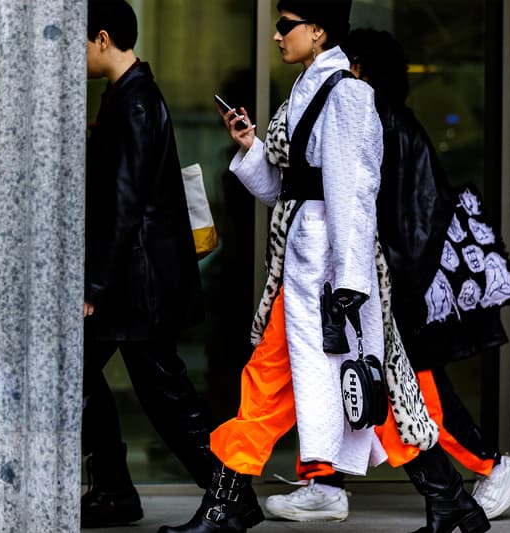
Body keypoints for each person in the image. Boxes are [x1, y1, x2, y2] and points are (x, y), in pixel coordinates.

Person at [264, 28, 510, 529]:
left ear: (360, 69)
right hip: (388, 289)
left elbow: (404, 220)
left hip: (397, 291)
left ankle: (489, 469)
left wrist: (381, 292)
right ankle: (327, 483)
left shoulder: (382, 122)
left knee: (415, 399)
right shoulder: (378, 119)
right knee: (359, 389)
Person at [158, 1, 388, 532]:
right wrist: (251, 147)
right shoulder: (308, 89)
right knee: (295, 387)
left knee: (333, 391)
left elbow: (353, 194)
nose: (278, 36)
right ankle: (449, 497)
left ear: (319, 30)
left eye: (287, 26)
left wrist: (351, 282)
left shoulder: (347, 94)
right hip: (306, 268)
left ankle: (228, 503)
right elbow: (291, 193)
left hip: (328, 275)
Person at [82, 0, 213, 527]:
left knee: (167, 397)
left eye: (79, 42)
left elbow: (124, 202)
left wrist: (92, 284)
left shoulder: (135, 101)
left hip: (135, 286)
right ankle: (116, 492)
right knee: (87, 376)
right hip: (132, 283)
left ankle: (229, 494)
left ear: (103, 38)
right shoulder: (124, 95)